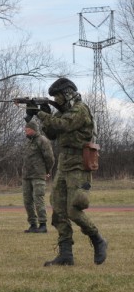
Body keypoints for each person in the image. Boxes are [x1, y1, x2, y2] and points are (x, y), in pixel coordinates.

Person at [34, 77, 107, 266]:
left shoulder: (79, 110)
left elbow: (63, 125)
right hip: (64, 165)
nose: (57, 101)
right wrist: (42, 114)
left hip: (79, 165)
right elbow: (52, 133)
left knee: (74, 210)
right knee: (58, 210)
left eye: (58, 97)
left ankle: (97, 239)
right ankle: (66, 254)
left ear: (67, 94)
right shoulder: (65, 112)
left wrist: (41, 115)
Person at [21, 119, 54, 234]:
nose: (25, 131)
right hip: (27, 175)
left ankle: (43, 224)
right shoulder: (29, 142)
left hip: (38, 175)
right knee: (27, 200)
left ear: (34, 130)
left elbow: (50, 158)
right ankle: (33, 224)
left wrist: (47, 170)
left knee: (38, 198)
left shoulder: (42, 140)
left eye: (27, 129)